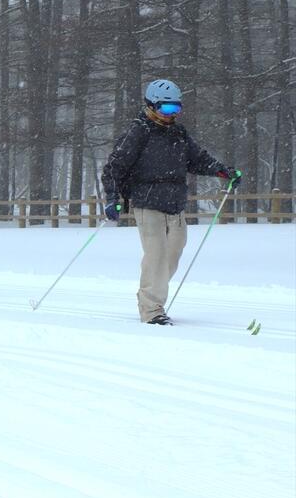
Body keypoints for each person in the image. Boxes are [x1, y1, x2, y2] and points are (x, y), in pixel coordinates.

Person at [101, 79, 238, 326]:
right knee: (156, 256)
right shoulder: (138, 132)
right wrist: (113, 198)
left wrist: (222, 171)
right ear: (152, 105)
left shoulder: (178, 133)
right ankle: (151, 310)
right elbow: (114, 167)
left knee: (172, 256)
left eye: (176, 109)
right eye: (166, 109)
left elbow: (198, 159)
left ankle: (153, 296)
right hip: (147, 202)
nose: (171, 115)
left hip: (175, 204)